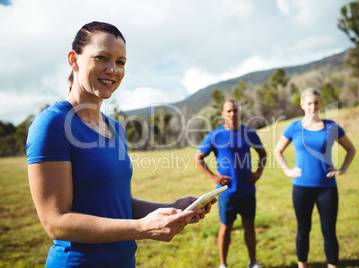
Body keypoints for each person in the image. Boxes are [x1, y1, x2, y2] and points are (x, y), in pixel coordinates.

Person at [25, 21, 214, 267]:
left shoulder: (116, 129)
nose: (112, 69)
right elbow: (56, 223)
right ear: (73, 59)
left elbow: (120, 203)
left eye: (121, 62)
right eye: (102, 58)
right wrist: (141, 228)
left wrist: (172, 208)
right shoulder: (52, 125)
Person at [274, 88, 356, 268]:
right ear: (302, 105)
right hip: (301, 188)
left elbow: (351, 149)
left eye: (316, 103)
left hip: (327, 188)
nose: (313, 107)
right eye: (309, 103)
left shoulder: (332, 127)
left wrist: (342, 169)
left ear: (321, 103)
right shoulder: (294, 128)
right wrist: (287, 170)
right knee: (303, 230)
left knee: (329, 231)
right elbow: (277, 151)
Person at [195, 100, 267, 268]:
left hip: (247, 191)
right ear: (223, 114)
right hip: (226, 193)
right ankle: (223, 264)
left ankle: (253, 262)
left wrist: (258, 172)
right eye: (229, 111)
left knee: (249, 226)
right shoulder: (215, 136)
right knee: (225, 228)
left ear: (239, 112)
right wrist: (214, 177)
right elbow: (198, 158)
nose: (232, 114)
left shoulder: (249, 133)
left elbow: (263, 154)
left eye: (235, 110)